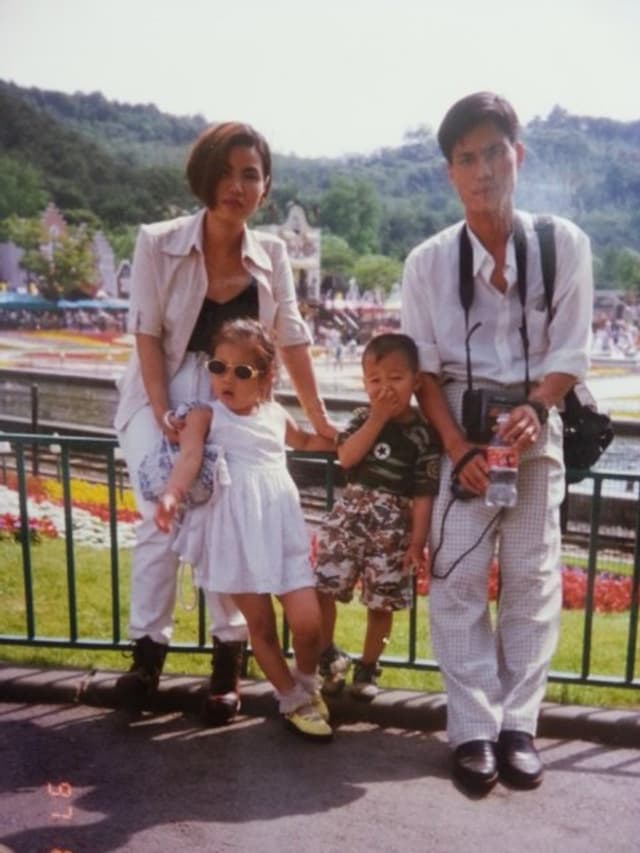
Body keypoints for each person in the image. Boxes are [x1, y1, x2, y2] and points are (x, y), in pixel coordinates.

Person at [401, 92, 593, 793]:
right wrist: (457, 449)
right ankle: (473, 728)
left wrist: (539, 406)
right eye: (466, 158)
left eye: (493, 152)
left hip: (535, 425)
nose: (482, 170)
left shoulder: (562, 244)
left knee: (531, 579)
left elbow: (571, 350)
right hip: (461, 424)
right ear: (449, 173)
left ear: (519, 155)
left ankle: (519, 725)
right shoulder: (427, 262)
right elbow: (423, 373)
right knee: (456, 578)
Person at [114, 122, 335, 724]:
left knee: (233, 516)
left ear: (265, 186)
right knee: (159, 514)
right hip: (164, 383)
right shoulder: (159, 241)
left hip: (233, 387)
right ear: (204, 177)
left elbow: (291, 338)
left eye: (250, 175)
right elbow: (147, 333)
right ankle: (147, 652)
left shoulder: (272, 254)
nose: (237, 186)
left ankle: (227, 659)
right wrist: (162, 410)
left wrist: (318, 417)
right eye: (226, 172)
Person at [154, 318, 334, 740]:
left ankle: (306, 683)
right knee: (262, 627)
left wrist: (349, 441)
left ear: (266, 377)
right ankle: (292, 700)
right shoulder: (204, 415)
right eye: (218, 368)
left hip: (281, 531)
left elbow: (307, 442)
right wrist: (171, 494)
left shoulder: (275, 415)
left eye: (241, 371)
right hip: (235, 536)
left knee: (308, 623)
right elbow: (189, 457)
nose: (226, 379)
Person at [315, 333, 440, 699]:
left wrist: (417, 542)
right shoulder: (361, 418)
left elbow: (423, 494)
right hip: (349, 519)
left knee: (382, 603)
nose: (385, 388)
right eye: (375, 380)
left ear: (416, 382)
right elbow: (346, 458)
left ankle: (368, 667)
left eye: (395, 378)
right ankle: (328, 657)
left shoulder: (423, 435)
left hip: (392, 526)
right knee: (323, 587)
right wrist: (377, 417)